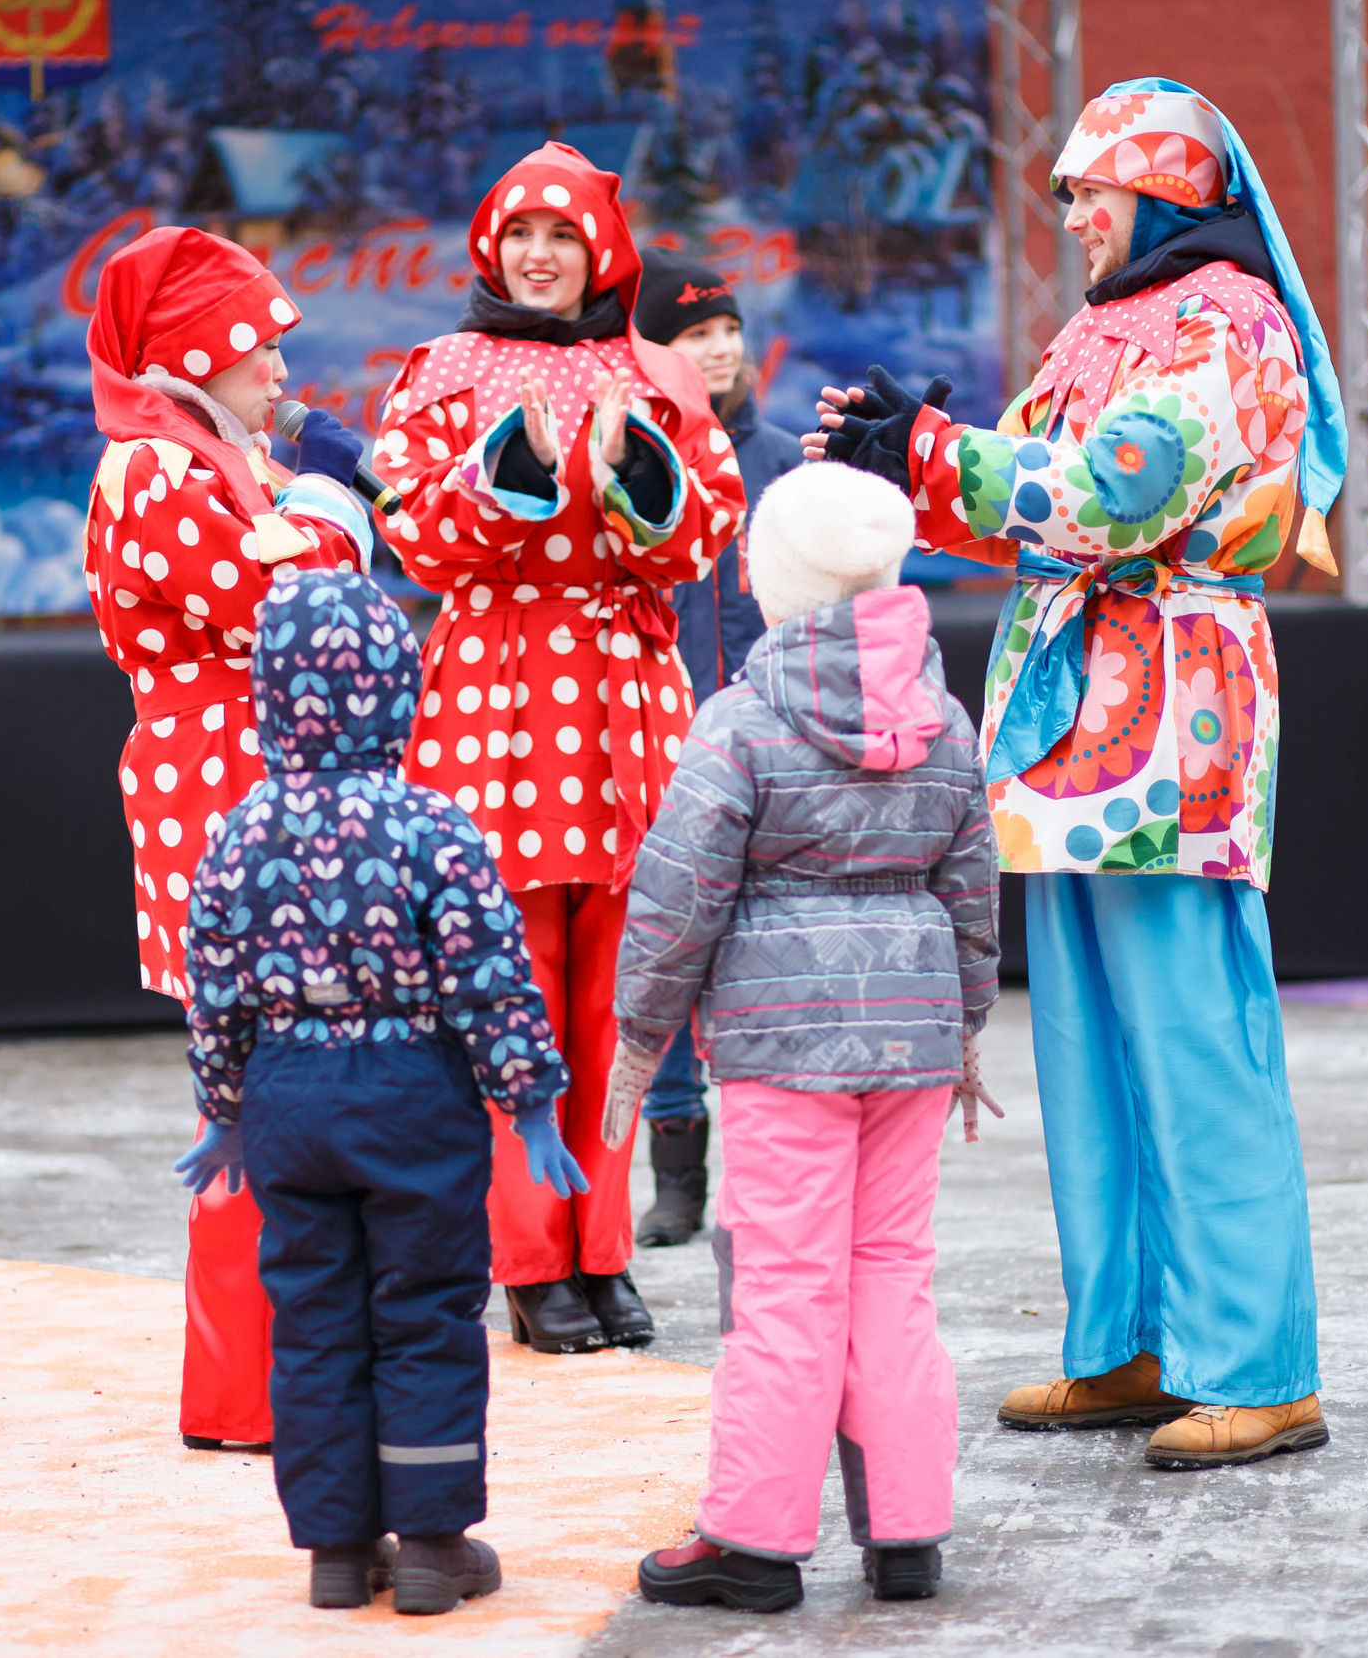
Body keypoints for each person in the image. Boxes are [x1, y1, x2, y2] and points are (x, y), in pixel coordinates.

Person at [811, 78, 1347, 1470]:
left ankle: (1256, 1362)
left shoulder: (1229, 321)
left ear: (1164, 189)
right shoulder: (1101, 326)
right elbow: (1032, 499)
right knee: (1093, 1047)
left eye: (1091, 190)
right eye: (1067, 193)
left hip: (1173, 716)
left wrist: (930, 453)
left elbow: (1117, 491)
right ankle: (1132, 1342)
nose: (1075, 215)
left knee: (1187, 1036)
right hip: (1074, 726)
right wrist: (903, 463)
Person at [601, 460, 1001, 1611]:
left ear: (770, 586)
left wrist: (641, 1038)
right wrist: (961, 1025)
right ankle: (907, 1533)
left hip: (782, 1046)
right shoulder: (944, 716)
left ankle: (754, 1541)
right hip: (913, 1040)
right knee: (892, 1276)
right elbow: (971, 890)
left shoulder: (738, 721)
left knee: (782, 1284)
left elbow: (678, 898)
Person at [369, 142, 745, 1354]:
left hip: (625, 695)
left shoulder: (656, 373)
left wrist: (646, 479)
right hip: (496, 692)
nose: (539, 254)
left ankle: (603, 1248)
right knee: (511, 990)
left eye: (563, 236)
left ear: (600, 252)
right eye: (520, 232)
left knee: (623, 998)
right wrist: (509, 475)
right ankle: (530, 1259)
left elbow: (704, 535)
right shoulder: (439, 369)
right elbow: (416, 539)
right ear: (491, 244)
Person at [173, 569, 584, 1616]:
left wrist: (222, 1109)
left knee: (311, 1322)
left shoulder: (237, 833)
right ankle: (437, 1546)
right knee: (427, 1313)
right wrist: (528, 1097)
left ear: (270, 692)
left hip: (288, 1099)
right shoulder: (429, 827)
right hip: (411, 1097)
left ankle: (337, 1550)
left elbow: (213, 990)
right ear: (396, 689)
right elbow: (488, 969)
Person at [80, 225, 375, 1453]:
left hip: (256, 788)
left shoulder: (211, 460)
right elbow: (282, 602)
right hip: (220, 795)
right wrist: (334, 516)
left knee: (282, 1091)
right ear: (197, 351)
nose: (278, 375)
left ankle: (274, 1385)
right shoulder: (153, 471)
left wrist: (313, 515)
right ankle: (249, 1395)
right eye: (256, 346)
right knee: (253, 1097)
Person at [627, 245, 803, 1250]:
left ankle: (769, 1164)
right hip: (666, 748)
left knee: (760, 965)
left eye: (729, 328)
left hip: (776, 758)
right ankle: (676, 1173)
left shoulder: (782, 463)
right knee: (666, 960)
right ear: (656, 350)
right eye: (696, 332)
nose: (722, 348)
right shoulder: (641, 468)